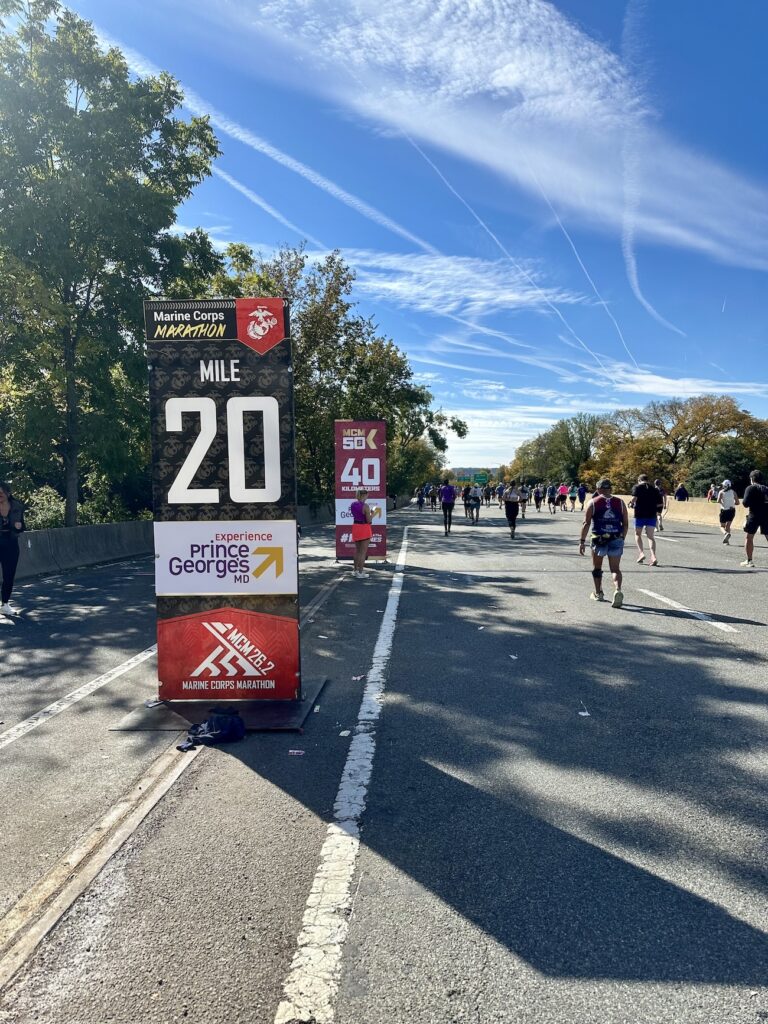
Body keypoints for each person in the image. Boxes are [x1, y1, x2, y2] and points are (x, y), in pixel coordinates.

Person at [579, 478, 628, 608]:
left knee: (597, 568)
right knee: (615, 569)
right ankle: (617, 590)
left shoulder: (593, 502)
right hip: (616, 537)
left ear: (599, 489)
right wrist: (622, 537)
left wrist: (582, 541)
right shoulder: (620, 502)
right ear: (610, 488)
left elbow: (586, 523)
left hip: (599, 538)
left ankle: (598, 593)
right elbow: (626, 523)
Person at [0, 482, 25, 615]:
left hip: (11, 543)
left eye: (1, 494)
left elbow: (23, 526)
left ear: (8, 493)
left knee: (9, 575)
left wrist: (19, 526)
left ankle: (5, 604)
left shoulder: (17, 506)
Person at [630, 474, 661, 566]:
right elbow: (660, 504)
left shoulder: (637, 487)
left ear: (639, 480)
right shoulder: (654, 489)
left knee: (637, 534)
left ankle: (641, 553)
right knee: (650, 537)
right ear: (648, 480)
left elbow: (634, 498)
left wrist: (631, 504)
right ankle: (653, 556)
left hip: (639, 515)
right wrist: (658, 513)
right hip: (651, 515)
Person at [741, 469, 768, 567]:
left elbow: (745, 503)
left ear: (752, 478)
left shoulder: (750, 488)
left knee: (749, 537)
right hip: (766, 515)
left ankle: (749, 560)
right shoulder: (766, 488)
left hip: (754, 515)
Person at [349, 488, 373, 578]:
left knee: (357, 551)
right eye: (367, 495)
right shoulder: (366, 506)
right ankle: (360, 572)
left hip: (356, 527)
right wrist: (372, 514)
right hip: (364, 528)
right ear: (364, 495)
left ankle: (355, 570)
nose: (368, 496)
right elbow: (369, 520)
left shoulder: (353, 504)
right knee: (363, 552)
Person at [717, 479, 739, 545]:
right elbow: (737, 502)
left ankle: (726, 533)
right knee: (728, 526)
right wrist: (732, 503)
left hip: (724, 511)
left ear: (724, 485)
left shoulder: (721, 492)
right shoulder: (733, 492)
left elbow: (718, 501)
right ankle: (727, 541)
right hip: (732, 511)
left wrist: (723, 503)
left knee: (722, 526)